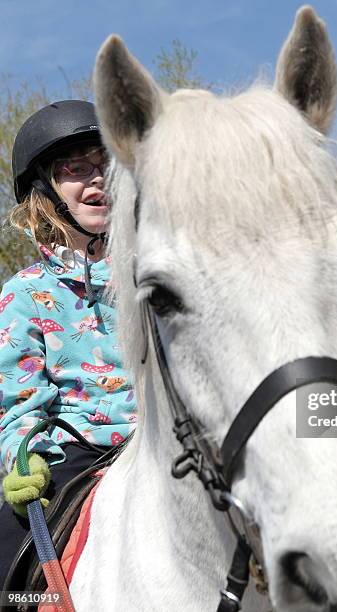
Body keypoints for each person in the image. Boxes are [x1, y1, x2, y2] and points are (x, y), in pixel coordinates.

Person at [0, 100, 137, 586]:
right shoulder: (25, 293)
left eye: (108, 167)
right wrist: (24, 453)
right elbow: (18, 403)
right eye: (76, 169)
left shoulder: (158, 280)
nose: (97, 179)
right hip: (75, 456)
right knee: (6, 553)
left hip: (168, 443)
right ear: (46, 190)